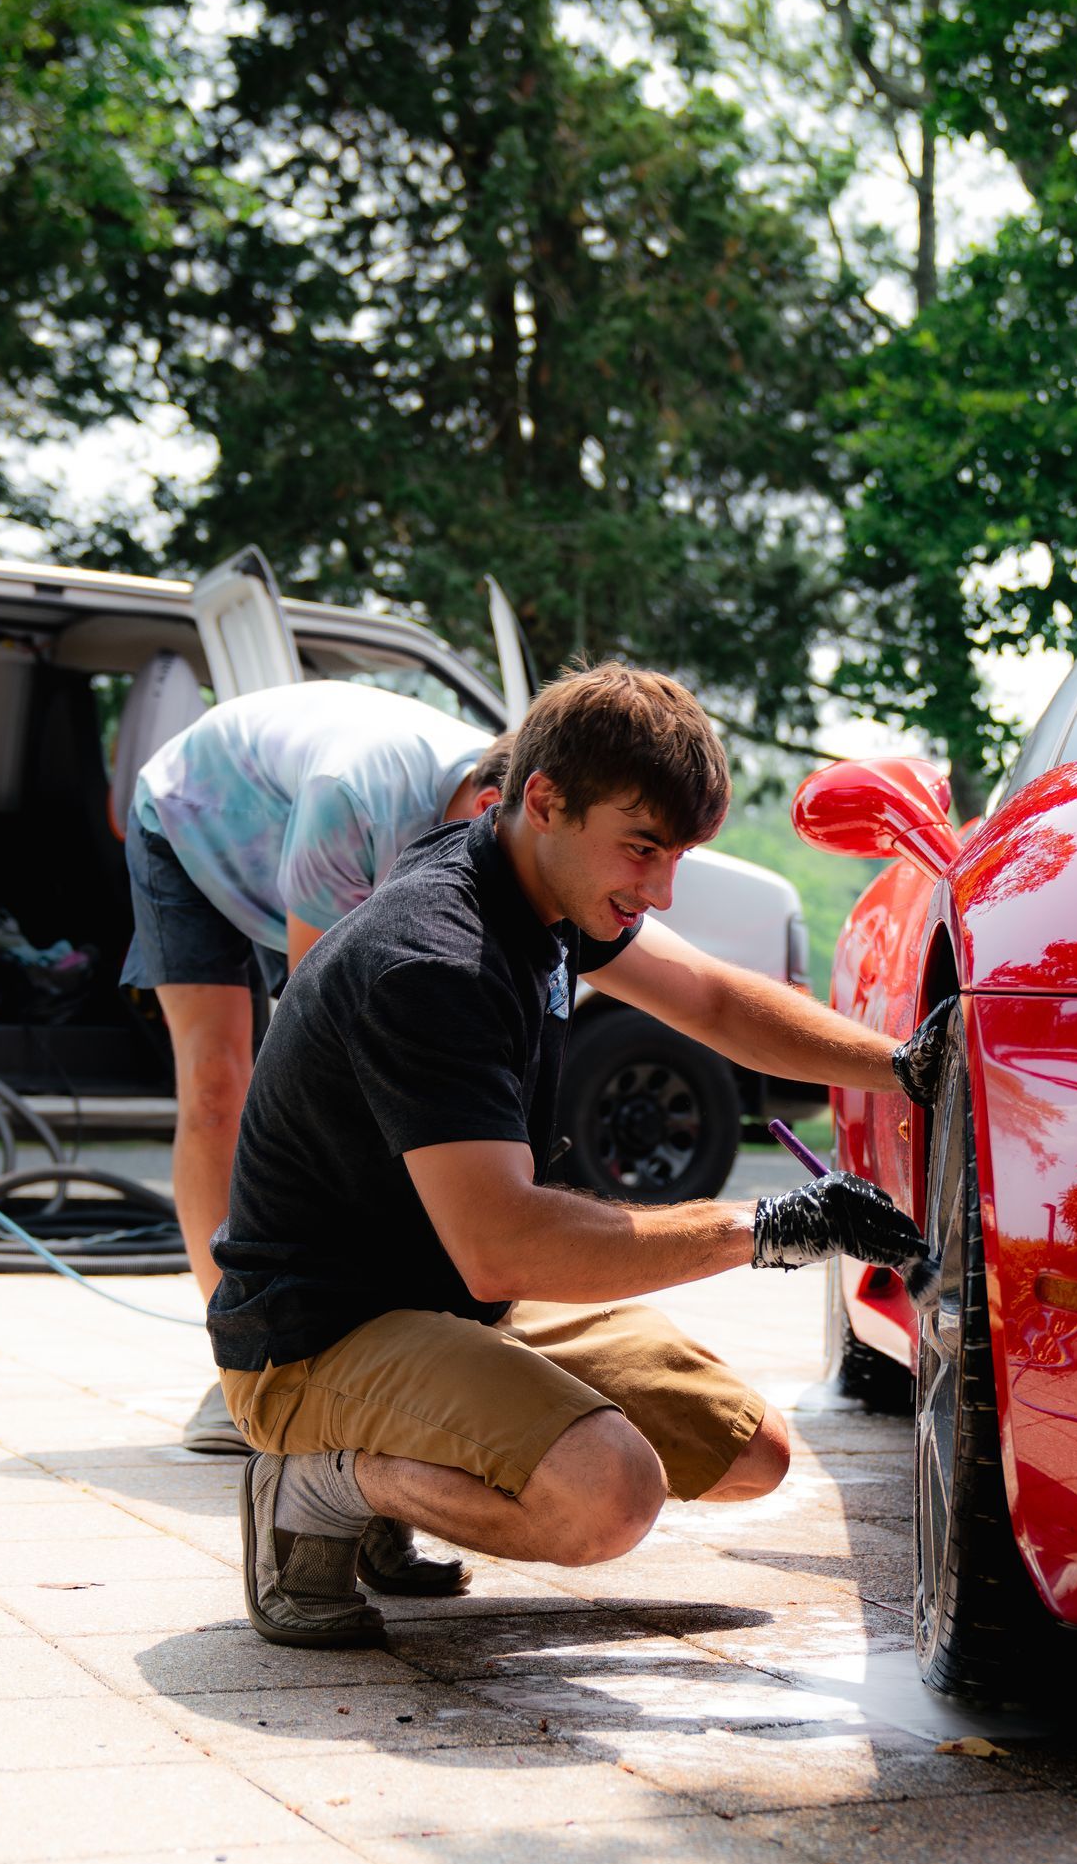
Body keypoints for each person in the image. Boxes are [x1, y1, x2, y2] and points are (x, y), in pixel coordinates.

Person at [208, 662, 951, 1647]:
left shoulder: (544, 892)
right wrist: (768, 1228)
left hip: (441, 1305)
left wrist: (905, 1065)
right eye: (642, 848)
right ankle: (325, 1484)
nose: (661, 886)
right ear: (544, 801)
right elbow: (504, 1244)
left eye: (679, 853)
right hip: (316, 1336)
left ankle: (406, 1460)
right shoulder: (435, 957)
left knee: (750, 1452)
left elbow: (720, 1003)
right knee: (609, 1492)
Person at [120, 681, 512, 1466]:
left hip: (301, 843)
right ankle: (243, 1357)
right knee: (220, 1084)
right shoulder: (360, 796)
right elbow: (319, 1032)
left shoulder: (503, 825)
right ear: (492, 805)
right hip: (198, 821)